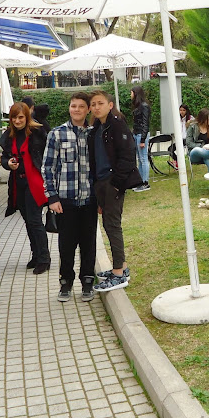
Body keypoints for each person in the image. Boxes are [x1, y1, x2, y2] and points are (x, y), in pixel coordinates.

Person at [42, 92, 97, 302]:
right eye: (73, 106)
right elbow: (47, 167)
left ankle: (88, 282)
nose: (77, 110)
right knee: (66, 245)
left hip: (89, 200)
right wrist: (52, 197)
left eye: (81, 106)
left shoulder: (93, 134)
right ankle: (65, 282)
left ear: (88, 109)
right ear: (69, 108)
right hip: (65, 201)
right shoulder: (57, 134)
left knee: (88, 244)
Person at [88, 91, 143, 292]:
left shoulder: (118, 125)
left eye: (100, 103)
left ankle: (119, 273)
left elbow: (128, 156)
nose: (96, 107)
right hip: (101, 182)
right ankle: (121, 267)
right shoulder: (97, 128)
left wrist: (117, 184)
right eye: (93, 104)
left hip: (112, 183)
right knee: (108, 224)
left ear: (110, 105)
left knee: (112, 225)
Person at [0, 102, 50, 273]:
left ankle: (44, 258)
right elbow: (4, 157)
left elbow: (48, 155)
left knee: (35, 220)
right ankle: (36, 255)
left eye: (20, 117)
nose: (17, 121)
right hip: (17, 183)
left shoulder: (37, 132)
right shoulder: (9, 135)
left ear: (27, 117)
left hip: (34, 182)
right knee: (28, 221)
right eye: (14, 117)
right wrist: (7, 163)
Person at [187, 108, 209, 194]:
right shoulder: (193, 127)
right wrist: (203, 147)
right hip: (196, 154)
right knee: (198, 150)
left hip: (208, 154)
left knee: (208, 159)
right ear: (203, 118)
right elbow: (189, 143)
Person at [131, 85, 151, 192]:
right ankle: (140, 181)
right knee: (139, 158)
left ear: (136, 94)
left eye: (132, 93)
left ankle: (145, 182)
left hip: (141, 134)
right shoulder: (137, 106)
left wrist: (143, 139)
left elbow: (145, 123)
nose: (130, 95)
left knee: (143, 158)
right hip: (136, 133)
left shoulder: (144, 106)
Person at [167, 104, 193, 171]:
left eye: (183, 110)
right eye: (180, 110)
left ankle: (178, 163)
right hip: (180, 139)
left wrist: (189, 123)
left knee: (180, 149)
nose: (182, 112)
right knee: (170, 149)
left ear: (186, 111)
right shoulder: (177, 118)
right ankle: (178, 161)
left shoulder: (190, 118)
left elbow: (196, 124)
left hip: (187, 139)